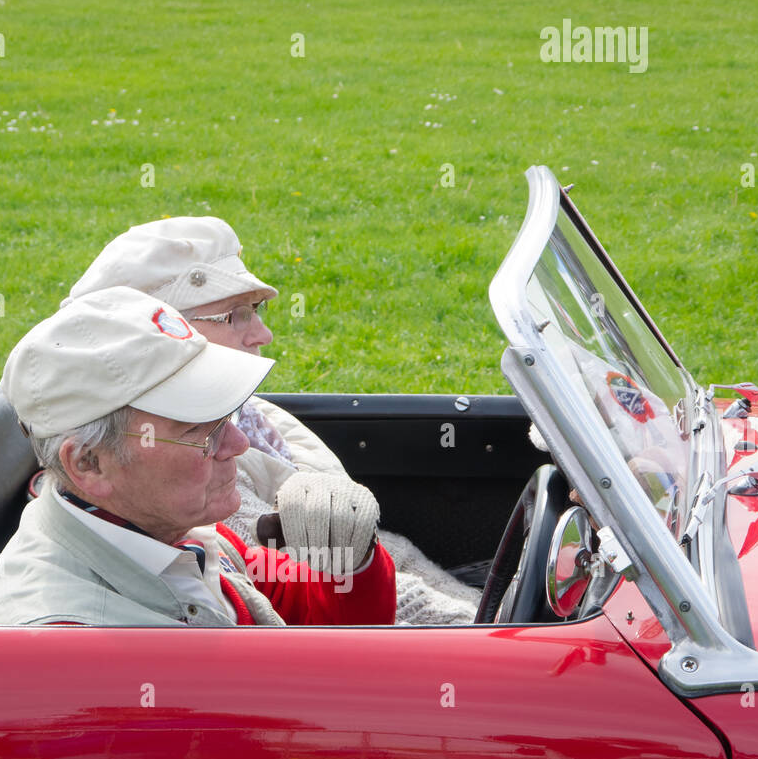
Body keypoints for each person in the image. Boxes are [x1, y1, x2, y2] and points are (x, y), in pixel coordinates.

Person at [62, 217, 481, 624]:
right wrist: (486, 631)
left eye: (255, 310)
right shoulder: (184, 502)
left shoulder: (248, 427)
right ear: (167, 335)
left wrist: (362, 560)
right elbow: (316, 600)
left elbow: (325, 595)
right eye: (236, 315)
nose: (264, 334)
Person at [0, 288, 396, 628]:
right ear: (89, 464)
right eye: (201, 431)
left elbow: (316, 620)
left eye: (227, 417)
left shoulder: (163, 531)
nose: (239, 443)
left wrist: (353, 560)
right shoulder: (78, 647)